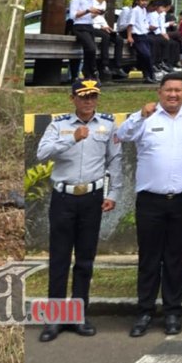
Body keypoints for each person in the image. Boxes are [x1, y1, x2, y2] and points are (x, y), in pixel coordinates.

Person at [121, 75, 182, 337]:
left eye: (178, 90)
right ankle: (144, 312)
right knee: (149, 258)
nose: (173, 95)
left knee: (176, 257)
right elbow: (122, 135)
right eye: (168, 90)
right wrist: (140, 115)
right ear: (159, 92)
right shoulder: (145, 118)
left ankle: (172, 311)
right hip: (150, 200)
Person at [34, 79, 123, 342]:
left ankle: (78, 314)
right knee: (60, 259)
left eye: (93, 97)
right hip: (64, 198)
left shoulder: (107, 125)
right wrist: (72, 139)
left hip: (92, 198)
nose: (89, 102)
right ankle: (55, 318)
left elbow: (115, 159)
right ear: (72, 98)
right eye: (83, 97)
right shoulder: (59, 125)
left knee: (85, 259)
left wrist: (114, 193)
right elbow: (42, 154)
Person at [68, 0, 107, 80]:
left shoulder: (91, 0)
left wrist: (96, 13)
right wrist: (87, 10)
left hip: (89, 26)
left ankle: (88, 72)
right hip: (79, 26)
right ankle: (91, 70)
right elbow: (72, 16)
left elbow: (89, 16)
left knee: (90, 50)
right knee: (91, 48)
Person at [122, 0, 155, 81]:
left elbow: (143, 23)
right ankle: (149, 75)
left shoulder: (144, 10)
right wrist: (129, 36)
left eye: (146, 0)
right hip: (137, 36)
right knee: (146, 55)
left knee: (147, 56)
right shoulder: (135, 10)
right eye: (142, 0)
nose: (144, 2)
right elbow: (130, 24)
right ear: (137, 1)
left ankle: (149, 76)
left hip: (144, 35)